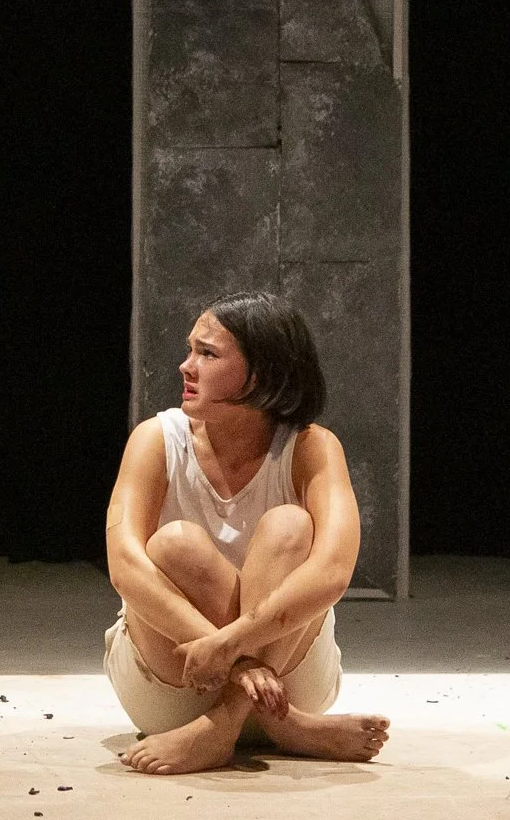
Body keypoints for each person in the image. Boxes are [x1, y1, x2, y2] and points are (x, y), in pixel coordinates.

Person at [102, 292, 391, 775]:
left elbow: (332, 573)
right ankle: (284, 727)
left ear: (260, 374)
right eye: (190, 350)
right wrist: (233, 659)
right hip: (174, 688)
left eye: (207, 353)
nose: (185, 366)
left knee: (290, 526)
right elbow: (124, 565)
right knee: (175, 543)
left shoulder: (311, 448)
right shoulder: (156, 439)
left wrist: (234, 643)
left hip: (291, 681)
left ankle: (224, 726)